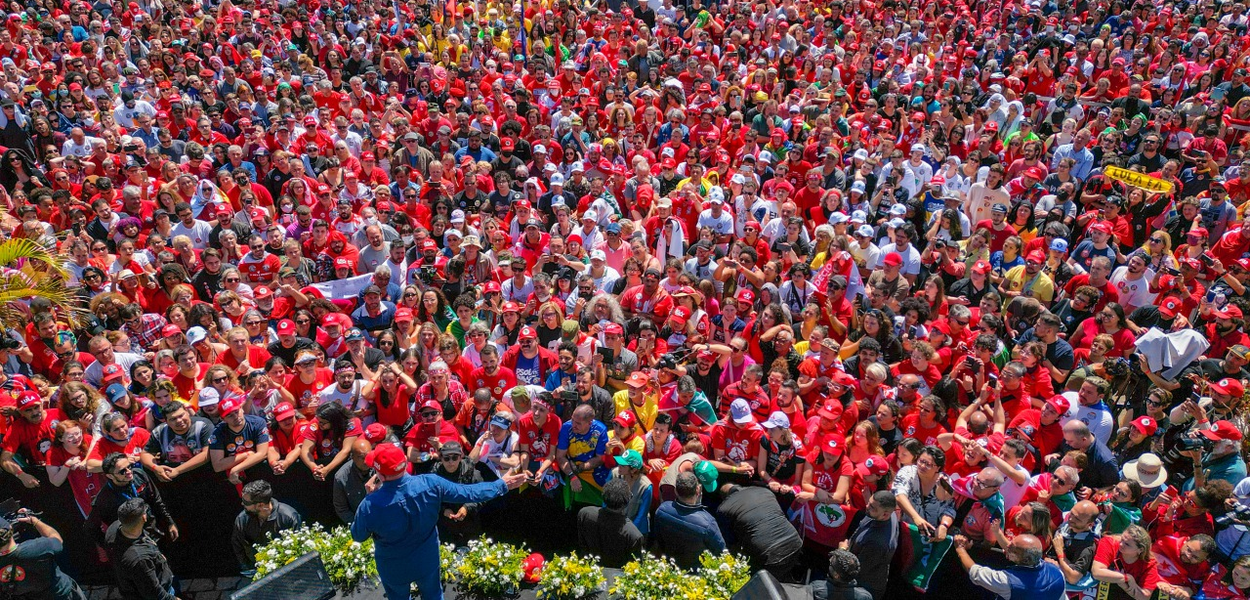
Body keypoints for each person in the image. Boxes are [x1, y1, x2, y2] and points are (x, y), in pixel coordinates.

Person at [350, 443, 526, 600]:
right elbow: (468, 492)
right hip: (427, 560)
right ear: (404, 463)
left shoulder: (370, 505)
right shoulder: (430, 483)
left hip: (394, 568)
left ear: (379, 473)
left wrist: (369, 498)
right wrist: (501, 485)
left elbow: (358, 536)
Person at [715, 483, 804, 580]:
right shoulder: (764, 491)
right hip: (795, 542)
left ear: (725, 497)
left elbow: (729, 541)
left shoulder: (724, 508)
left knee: (762, 580)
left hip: (769, 555)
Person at [0, 511, 86, 600]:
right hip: (61, 594)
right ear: (10, 528)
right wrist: (35, 521)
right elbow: (56, 539)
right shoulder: (36, 548)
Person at [953, 532, 1066, 600]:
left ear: (1025, 559)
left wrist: (960, 548)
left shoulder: (1008, 582)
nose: (1007, 546)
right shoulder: (1058, 572)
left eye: (1012, 548)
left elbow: (974, 572)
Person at [104, 498, 179, 600]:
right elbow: (155, 594)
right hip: (160, 589)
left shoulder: (114, 528)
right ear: (144, 518)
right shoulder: (140, 560)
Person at [652, 469, 726, 569]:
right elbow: (721, 552)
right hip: (696, 575)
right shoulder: (708, 523)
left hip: (669, 569)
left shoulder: (662, 510)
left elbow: (658, 540)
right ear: (698, 490)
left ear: (675, 491)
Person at [231, 480, 302, 575]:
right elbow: (238, 545)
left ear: (260, 505)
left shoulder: (288, 517)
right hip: (257, 570)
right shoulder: (242, 519)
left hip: (285, 571)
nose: (242, 504)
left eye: (246, 502)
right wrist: (248, 567)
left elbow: (297, 548)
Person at [576, 477, 645, 567]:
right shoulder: (633, 534)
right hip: (617, 577)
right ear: (626, 502)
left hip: (590, 569)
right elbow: (635, 566)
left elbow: (582, 544)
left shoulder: (585, 514)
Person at [845, 490, 901, 600]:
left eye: (872, 507)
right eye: (869, 503)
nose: (867, 506)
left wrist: (842, 551)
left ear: (885, 514)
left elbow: (857, 568)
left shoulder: (878, 542)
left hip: (862, 588)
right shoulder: (886, 514)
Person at [333, 438, 376, 524]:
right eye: (361, 457)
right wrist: (358, 525)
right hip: (357, 522)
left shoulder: (380, 469)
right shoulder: (341, 477)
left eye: (368, 456)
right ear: (352, 457)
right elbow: (341, 508)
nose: (365, 461)